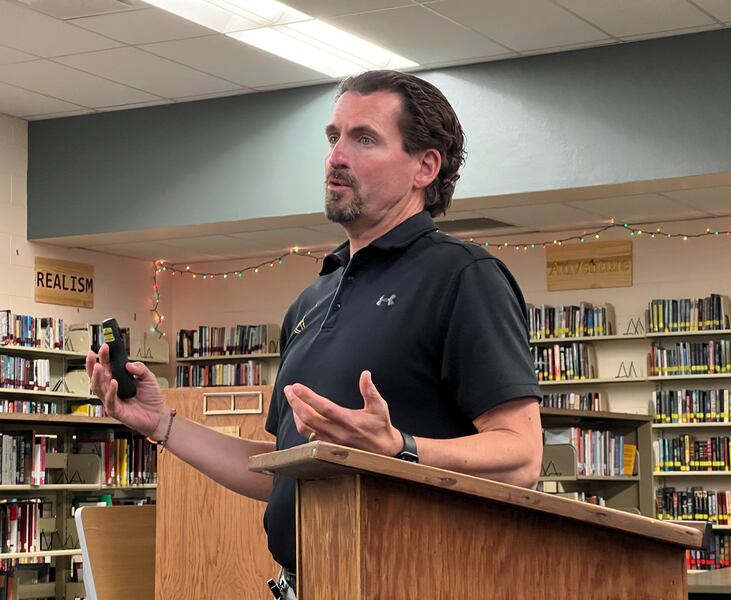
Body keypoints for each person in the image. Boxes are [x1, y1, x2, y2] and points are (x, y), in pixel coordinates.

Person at [87, 69, 542, 600]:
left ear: (425, 166)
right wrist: (160, 424)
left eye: (364, 138)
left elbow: (522, 456)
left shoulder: (464, 277)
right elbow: (282, 475)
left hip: (413, 582)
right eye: (334, 137)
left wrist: (401, 448)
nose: (336, 157)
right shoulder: (313, 298)